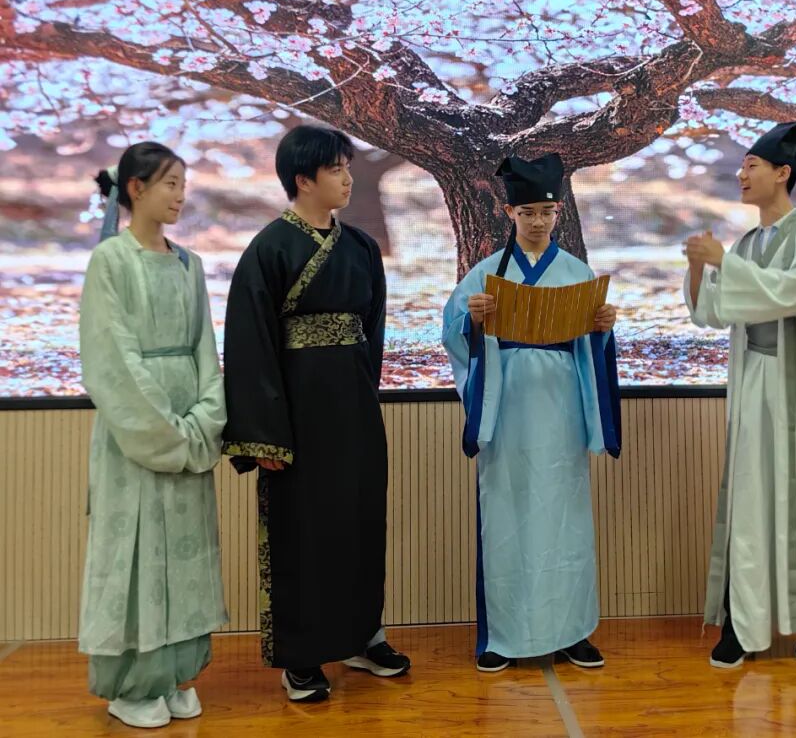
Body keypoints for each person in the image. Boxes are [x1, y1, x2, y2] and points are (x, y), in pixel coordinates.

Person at [222, 125, 408, 703]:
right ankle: (301, 655)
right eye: (336, 169)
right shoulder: (270, 248)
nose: (348, 178)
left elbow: (371, 333)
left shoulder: (361, 248)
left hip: (353, 408)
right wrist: (265, 436)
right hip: (297, 419)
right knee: (302, 531)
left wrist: (362, 396)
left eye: (348, 167)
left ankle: (362, 635)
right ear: (303, 179)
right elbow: (250, 345)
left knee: (360, 521)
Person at [684, 120, 796, 668]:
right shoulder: (746, 243)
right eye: (741, 166)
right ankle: (744, 622)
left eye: (752, 166)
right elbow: (711, 312)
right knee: (751, 500)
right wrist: (699, 267)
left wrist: (724, 264)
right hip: (756, 383)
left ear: (783, 173)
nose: (741, 175)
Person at [442, 152, 621, 672]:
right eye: (527, 213)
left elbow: (594, 350)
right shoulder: (485, 274)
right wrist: (472, 321)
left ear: (558, 212)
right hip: (508, 407)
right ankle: (503, 637)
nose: (538, 221)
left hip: (561, 405)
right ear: (510, 213)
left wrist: (602, 328)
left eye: (546, 212)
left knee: (566, 518)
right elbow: (452, 335)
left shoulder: (576, 272)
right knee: (506, 514)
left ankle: (573, 631)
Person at [78, 142, 227, 728]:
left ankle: (176, 675)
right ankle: (135, 686)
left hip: (189, 426)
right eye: (169, 183)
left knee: (186, 554)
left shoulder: (190, 264)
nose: (180, 196)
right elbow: (112, 358)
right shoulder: (110, 261)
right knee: (137, 554)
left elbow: (205, 350)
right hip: (135, 434)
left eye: (183, 184)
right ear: (135, 189)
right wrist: (169, 432)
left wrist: (205, 420)